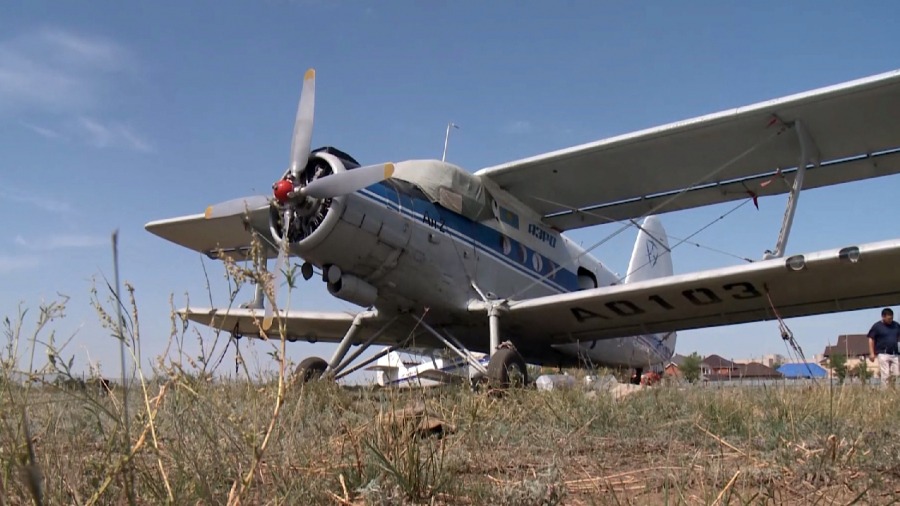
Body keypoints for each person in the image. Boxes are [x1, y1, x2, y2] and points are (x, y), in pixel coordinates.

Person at [868, 307, 900, 386]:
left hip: (895, 353)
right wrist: (872, 353)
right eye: (888, 319)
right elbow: (871, 339)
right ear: (883, 317)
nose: (890, 320)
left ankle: (895, 390)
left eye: (891, 318)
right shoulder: (877, 326)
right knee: (885, 375)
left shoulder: (896, 325)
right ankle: (885, 391)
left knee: (896, 374)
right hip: (883, 353)